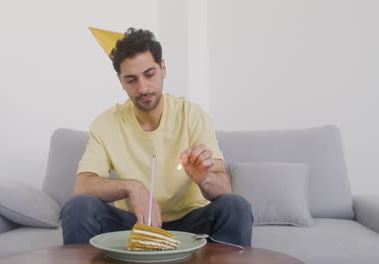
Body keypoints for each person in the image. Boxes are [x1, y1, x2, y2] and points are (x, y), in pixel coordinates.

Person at [61, 27, 253, 246]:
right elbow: (83, 186)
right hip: (134, 226)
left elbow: (225, 189)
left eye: (149, 74)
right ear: (120, 81)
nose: (143, 88)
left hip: (191, 227)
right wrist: (132, 187)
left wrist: (204, 179)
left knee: (236, 206)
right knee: (78, 207)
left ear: (163, 68)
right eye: (131, 80)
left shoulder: (193, 116)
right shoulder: (106, 123)